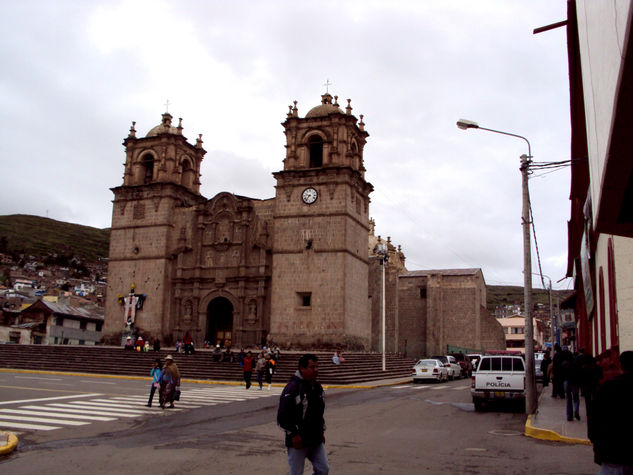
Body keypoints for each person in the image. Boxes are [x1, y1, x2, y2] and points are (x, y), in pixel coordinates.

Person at [278, 354, 328, 475]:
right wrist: (294, 435)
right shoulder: (292, 388)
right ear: (302, 368)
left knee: (323, 469)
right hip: (298, 439)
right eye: (312, 367)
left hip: (315, 438)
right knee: (296, 473)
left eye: (317, 366)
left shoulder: (317, 387)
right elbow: (283, 415)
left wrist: (321, 431)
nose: (316, 370)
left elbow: (319, 412)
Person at [589, 351, 633, 472]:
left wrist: (595, 440)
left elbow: (594, 417)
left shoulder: (607, 388)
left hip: (612, 451)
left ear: (620, 365)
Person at [561, 347, 581, 421]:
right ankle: (576, 411)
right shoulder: (576, 363)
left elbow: (561, 374)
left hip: (566, 382)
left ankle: (569, 415)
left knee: (568, 399)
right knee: (576, 398)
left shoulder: (564, 364)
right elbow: (579, 373)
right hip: (575, 382)